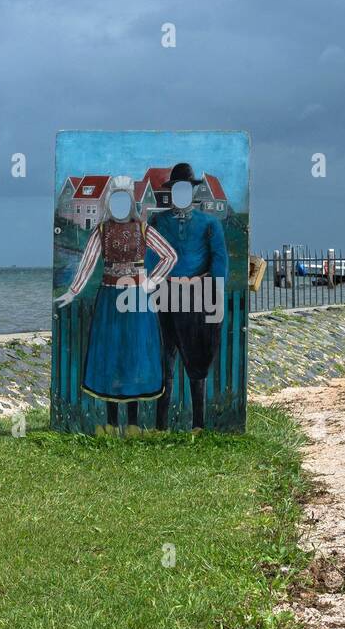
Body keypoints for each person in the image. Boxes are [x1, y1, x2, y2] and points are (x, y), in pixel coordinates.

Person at [55, 176, 177, 435]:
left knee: (134, 357)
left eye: (125, 199)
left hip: (136, 302)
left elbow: (170, 255)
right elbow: (87, 262)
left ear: (132, 202)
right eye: (115, 199)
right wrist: (73, 291)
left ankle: (132, 425)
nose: (120, 205)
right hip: (109, 300)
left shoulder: (143, 229)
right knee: (110, 356)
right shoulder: (101, 230)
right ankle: (110, 424)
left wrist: (151, 282)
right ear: (109, 202)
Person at [150, 162, 228, 431]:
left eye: (186, 188)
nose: (181, 193)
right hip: (165, 296)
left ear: (192, 191)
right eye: (177, 188)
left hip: (197, 298)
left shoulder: (210, 224)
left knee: (197, 363)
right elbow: (150, 258)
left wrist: (211, 290)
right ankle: (161, 427)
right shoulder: (158, 222)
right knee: (165, 363)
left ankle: (198, 426)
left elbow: (219, 261)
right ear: (172, 192)